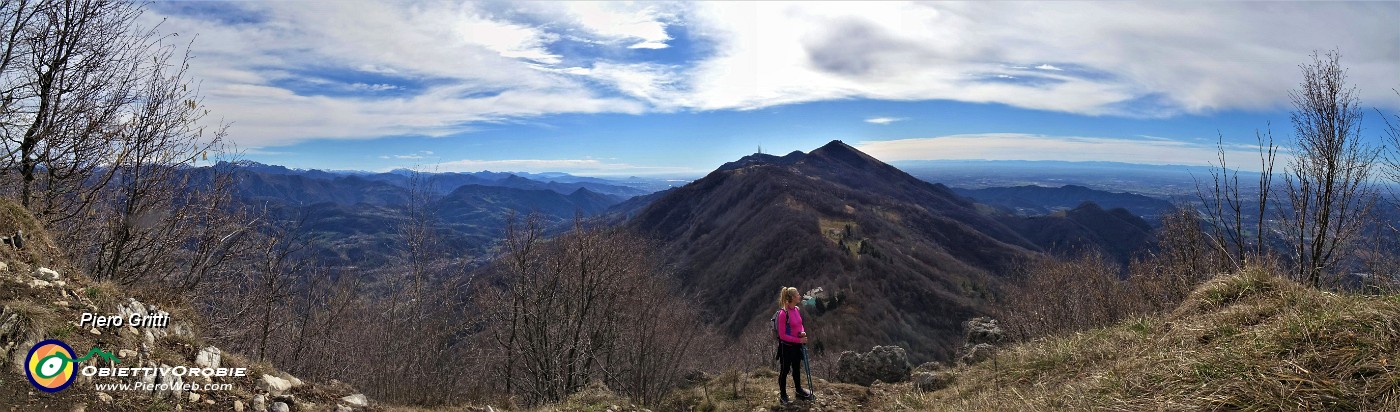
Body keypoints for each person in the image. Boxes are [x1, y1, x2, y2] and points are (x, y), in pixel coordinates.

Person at [775, 287, 814, 404]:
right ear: (792, 298)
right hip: (786, 347)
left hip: (796, 346)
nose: (800, 296)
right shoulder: (783, 314)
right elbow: (782, 336)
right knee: (785, 370)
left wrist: (802, 332)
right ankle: (783, 395)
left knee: (796, 368)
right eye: (797, 294)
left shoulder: (796, 309)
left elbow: (800, 325)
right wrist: (799, 340)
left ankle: (798, 389)